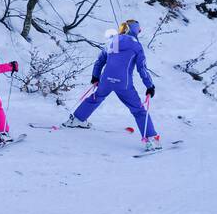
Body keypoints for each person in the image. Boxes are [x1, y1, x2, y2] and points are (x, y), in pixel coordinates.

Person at [63, 19, 160, 149]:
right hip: (123, 84)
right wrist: (149, 86)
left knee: (96, 97)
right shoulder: (136, 46)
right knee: (137, 110)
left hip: (106, 80)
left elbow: (100, 61)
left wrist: (95, 76)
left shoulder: (113, 41)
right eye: (139, 30)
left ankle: (76, 119)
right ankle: (151, 138)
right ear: (136, 30)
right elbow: (141, 68)